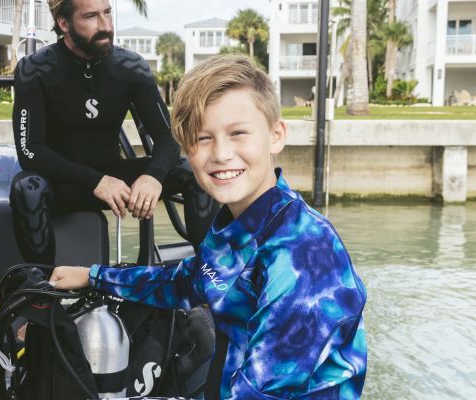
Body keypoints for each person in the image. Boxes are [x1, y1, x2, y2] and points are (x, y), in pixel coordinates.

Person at [50, 55, 368, 399]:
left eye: (238, 133)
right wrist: (94, 276)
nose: (221, 153)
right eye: (203, 138)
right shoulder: (239, 224)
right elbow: (189, 281)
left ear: (276, 135)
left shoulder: (304, 258)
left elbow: (260, 390)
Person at [10, 0, 217, 264]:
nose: (106, 26)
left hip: (115, 178)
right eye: (91, 17)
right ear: (64, 23)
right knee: (27, 187)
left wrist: (153, 176)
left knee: (194, 172)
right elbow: (31, 152)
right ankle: (42, 290)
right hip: (62, 184)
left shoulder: (130, 67)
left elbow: (167, 138)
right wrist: (96, 181)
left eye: (107, 13)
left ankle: (211, 275)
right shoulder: (34, 69)